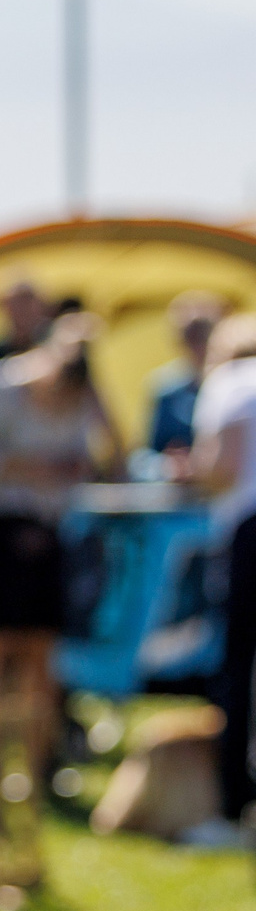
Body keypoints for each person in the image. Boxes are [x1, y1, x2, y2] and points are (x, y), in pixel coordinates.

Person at [0, 314, 119, 783]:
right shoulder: (2, 386)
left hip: (52, 534)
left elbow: (112, 455)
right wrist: (28, 467)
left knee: (41, 653)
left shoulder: (85, 395)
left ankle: (36, 768)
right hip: (1, 530)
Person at [187, 312, 256, 843]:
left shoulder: (230, 384)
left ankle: (233, 810)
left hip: (248, 533)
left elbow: (224, 466)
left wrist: (190, 470)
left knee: (239, 672)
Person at [147, 292, 224, 460]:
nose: (197, 344)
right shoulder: (166, 388)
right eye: (189, 335)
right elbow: (146, 456)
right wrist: (168, 465)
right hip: (177, 485)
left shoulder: (233, 385)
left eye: (203, 334)